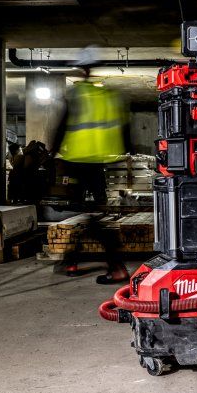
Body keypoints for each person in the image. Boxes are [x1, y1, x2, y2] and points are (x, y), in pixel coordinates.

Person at [51, 75, 131, 285]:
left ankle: (113, 266)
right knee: (92, 216)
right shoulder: (109, 96)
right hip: (97, 164)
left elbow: (62, 128)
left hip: (77, 163)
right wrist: (123, 152)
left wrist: (52, 154)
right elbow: (124, 129)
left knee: (91, 218)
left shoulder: (78, 96)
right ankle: (73, 260)